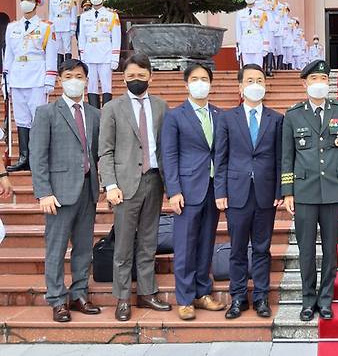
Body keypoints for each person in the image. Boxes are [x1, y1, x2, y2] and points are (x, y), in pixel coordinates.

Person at [99, 53, 172, 321]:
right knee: (124, 244)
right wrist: (110, 185)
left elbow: (166, 147)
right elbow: (105, 152)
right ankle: (122, 298)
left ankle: (147, 292)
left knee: (149, 241)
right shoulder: (112, 109)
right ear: (123, 78)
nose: (136, 80)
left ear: (150, 76)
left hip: (154, 180)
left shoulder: (162, 106)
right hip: (125, 185)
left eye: (141, 76)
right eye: (131, 76)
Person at [29, 59, 102, 322]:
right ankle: (58, 299)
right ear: (60, 81)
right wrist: (43, 192)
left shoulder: (95, 113)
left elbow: (97, 153)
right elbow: (38, 156)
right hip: (58, 193)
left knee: (84, 247)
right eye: (69, 76)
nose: (75, 80)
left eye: (79, 76)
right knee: (56, 248)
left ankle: (80, 292)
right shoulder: (46, 112)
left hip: (87, 189)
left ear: (86, 81)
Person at [281, 60, 338, 322]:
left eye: (323, 78)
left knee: (331, 250)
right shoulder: (293, 115)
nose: (319, 84)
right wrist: (288, 191)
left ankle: (326, 299)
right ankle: (308, 299)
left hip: (334, 191)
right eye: (314, 79)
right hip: (304, 192)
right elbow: (286, 157)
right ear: (305, 84)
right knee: (307, 250)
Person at [215, 64, 283, 320]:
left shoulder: (276, 119)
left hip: (265, 193)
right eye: (250, 80)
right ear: (240, 87)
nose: (255, 84)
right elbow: (220, 158)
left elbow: (279, 159)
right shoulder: (226, 118)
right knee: (238, 248)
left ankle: (261, 297)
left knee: (263, 248)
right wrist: (220, 191)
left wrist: (279, 189)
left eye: (260, 80)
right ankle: (238, 297)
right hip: (236, 193)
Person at [161, 63, 226, 321]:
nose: (200, 83)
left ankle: (202, 293)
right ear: (186, 83)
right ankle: (185, 299)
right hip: (187, 190)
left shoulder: (220, 115)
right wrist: (173, 190)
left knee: (206, 244)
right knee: (186, 245)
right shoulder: (175, 116)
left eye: (205, 78)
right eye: (195, 78)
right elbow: (169, 155)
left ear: (211, 83)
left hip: (213, 189)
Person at [3, 0, 58, 172]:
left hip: (37, 78)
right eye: (23, 0)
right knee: (21, 119)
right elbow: (8, 55)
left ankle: (39, 158)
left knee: (38, 119)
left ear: (36, 3)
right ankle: (24, 157)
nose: (25, 3)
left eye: (29, 0)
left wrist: (50, 79)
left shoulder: (45, 27)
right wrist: (5, 79)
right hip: (17, 77)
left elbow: (51, 54)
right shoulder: (12, 28)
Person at [77, 0, 121, 109]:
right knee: (91, 85)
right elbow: (82, 37)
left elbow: (116, 38)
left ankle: (107, 111)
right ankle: (94, 111)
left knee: (106, 85)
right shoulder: (85, 16)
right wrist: (82, 56)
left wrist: (115, 57)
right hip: (90, 54)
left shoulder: (111, 16)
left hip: (105, 54)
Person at [235, 0, 269, 68]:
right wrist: (238, 47)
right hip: (245, 44)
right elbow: (238, 31)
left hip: (258, 44)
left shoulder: (261, 13)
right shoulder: (240, 13)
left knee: (258, 68)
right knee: (246, 68)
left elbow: (265, 30)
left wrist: (265, 46)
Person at [48, 0, 78, 67]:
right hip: (56, 25)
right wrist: (51, 27)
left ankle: (67, 66)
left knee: (67, 47)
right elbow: (51, 14)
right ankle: (59, 66)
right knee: (58, 48)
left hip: (66, 26)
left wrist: (73, 28)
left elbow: (73, 14)